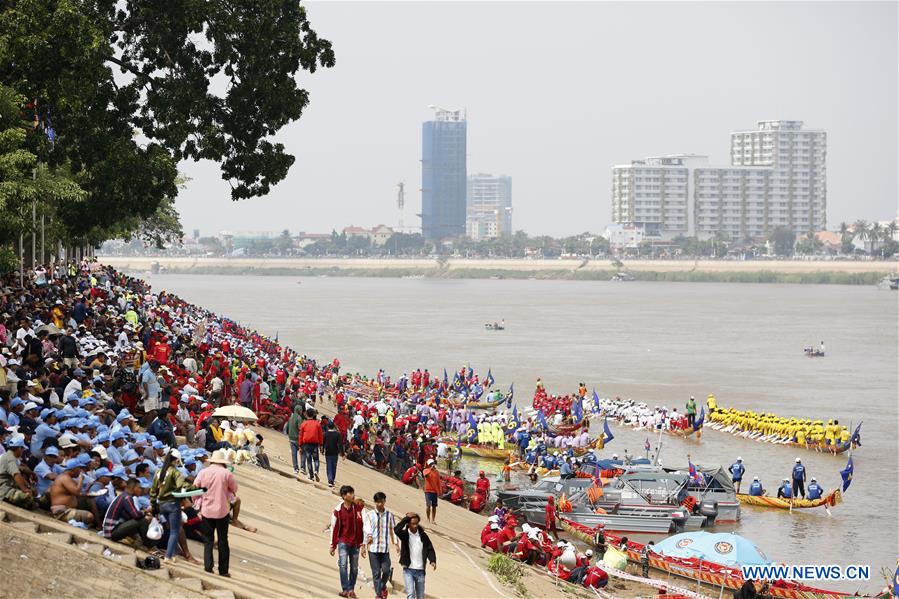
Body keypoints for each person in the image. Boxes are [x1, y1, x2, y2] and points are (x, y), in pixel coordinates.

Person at [193, 449, 238, 577]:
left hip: (207, 510)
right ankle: (223, 570)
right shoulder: (226, 473)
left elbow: (195, 487)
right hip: (221, 511)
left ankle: (208, 567)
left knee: (208, 540)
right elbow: (234, 488)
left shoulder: (203, 472)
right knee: (223, 540)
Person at [149, 448, 193, 562]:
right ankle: (168, 556)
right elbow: (181, 486)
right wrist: (194, 487)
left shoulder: (158, 472)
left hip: (161, 504)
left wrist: (154, 507)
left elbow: (153, 491)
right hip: (173, 503)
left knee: (171, 528)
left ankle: (173, 554)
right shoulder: (175, 472)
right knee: (175, 530)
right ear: (176, 461)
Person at [330, 485, 365, 598]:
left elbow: (365, 526)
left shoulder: (359, 509)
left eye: (353, 493)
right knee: (343, 565)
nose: (352, 495)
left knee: (354, 568)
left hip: (355, 543)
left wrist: (363, 543)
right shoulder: (338, 510)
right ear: (344, 496)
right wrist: (332, 545)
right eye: (350, 493)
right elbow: (333, 527)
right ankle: (345, 589)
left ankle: (351, 589)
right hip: (343, 541)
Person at [394, 512, 436, 599]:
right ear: (408, 524)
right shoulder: (405, 535)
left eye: (417, 523)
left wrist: (432, 560)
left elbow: (429, 548)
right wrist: (406, 519)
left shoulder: (423, 536)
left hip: (420, 571)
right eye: (413, 523)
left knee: (420, 596)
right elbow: (396, 530)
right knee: (411, 594)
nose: (415, 525)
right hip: (408, 570)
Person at [364, 491, 398, 599]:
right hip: (373, 548)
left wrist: (396, 544)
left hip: (384, 549)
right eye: (378, 502)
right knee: (376, 573)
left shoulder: (390, 515)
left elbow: (393, 530)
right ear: (375, 502)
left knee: (386, 570)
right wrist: (365, 542)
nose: (380, 504)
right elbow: (366, 529)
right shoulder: (369, 515)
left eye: (382, 502)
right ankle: (379, 595)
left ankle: (382, 587)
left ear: (384, 501)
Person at [102, 477, 151, 545]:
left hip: (109, 531)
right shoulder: (127, 498)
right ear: (132, 488)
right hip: (112, 532)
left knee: (139, 519)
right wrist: (146, 511)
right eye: (139, 488)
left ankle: (141, 541)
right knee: (143, 520)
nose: (140, 490)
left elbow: (130, 515)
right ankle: (150, 546)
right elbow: (136, 515)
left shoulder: (124, 496)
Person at [0, 437, 34, 508]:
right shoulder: (10, 458)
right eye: (22, 449)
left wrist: (28, 486)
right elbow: (16, 474)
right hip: (3, 489)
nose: (22, 451)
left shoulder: (8, 455)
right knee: (28, 499)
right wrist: (25, 489)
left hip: (5, 485)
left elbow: (18, 474)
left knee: (31, 496)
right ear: (18, 448)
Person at [299, 408, 323, 481]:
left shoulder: (304, 424)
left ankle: (311, 476)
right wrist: (321, 445)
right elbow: (320, 435)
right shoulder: (317, 424)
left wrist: (300, 445)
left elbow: (301, 435)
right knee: (316, 459)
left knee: (309, 460)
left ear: (306, 415)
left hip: (306, 444)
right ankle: (316, 470)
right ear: (313, 415)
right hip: (315, 444)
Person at [322, 422, 343, 488]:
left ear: (328, 427)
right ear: (334, 427)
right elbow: (340, 444)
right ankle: (332, 480)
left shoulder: (325, 434)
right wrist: (342, 453)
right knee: (334, 466)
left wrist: (322, 450)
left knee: (329, 466)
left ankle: (330, 480)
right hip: (335, 452)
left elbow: (323, 443)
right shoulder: (337, 434)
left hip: (328, 452)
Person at [421, 459, 441, 524]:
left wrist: (439, 491)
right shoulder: (426, 470)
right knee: (428, 505)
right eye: (432, 463)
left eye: (433, 463)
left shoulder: (437, 472)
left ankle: (433, 519)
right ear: (429, 465)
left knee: (434, 506)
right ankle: (428, 518)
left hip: (435, 492)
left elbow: (438, 482)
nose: (433, 464)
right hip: (428, 491)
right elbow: (424, 474)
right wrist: (430, 469)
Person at [286, 406, 303, 475]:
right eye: (301, 410)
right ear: (298, 410)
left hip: (291, 438)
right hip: (297, 439)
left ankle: (295, 468)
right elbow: (300, 428)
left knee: (294, 454)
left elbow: (287, 427)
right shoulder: (299, 418)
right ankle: (302, 467)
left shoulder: (291, 417)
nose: (301, 412)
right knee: (302, 453)